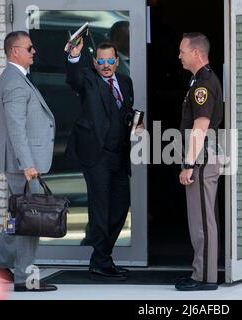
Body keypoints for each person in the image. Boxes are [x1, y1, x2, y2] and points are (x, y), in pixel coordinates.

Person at [0, 31, 57, 292]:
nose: (34, 51)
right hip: (22, 165)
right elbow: (16, 127)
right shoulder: (15, 81)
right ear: (15, 51)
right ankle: (25, 278)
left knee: (16, 216)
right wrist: (27, 164)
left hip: (18, 163)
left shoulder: (15, 77)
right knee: (30, 219)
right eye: (29, 48)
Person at [65, 39, 140, 278]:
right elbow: (73, 80)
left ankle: (102, 256)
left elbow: (125, 111)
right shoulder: (87, 78)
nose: (106, 65)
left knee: (120, 205)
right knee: (100, 207)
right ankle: (101, 260)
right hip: (95, 154)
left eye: (110, 61)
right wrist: (73, 57)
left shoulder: (126, 82)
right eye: (101, 61)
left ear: (117, 62)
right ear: (94, 62)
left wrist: (136, 125)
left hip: (119, 155)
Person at [175, 32, 223, 291]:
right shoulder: (199, 80)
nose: (179, 56)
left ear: (196, 53)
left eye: (182, 51)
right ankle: (202, 272)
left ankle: (204, 278)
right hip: (204, 156)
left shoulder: (203, 84)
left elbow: (200, 128)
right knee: (202, 219)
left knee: (202, 221)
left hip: (202, 158)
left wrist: (189, 164)